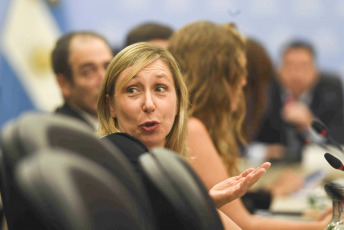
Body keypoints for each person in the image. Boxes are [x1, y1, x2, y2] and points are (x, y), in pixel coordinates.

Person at [168, 21, 331, 229]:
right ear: (217, 77)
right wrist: (327, 226)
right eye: (239, 70)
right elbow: (245, 224)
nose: (244, 82)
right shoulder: (193, 129)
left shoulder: (190, 125)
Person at [97, 42, 270, 229]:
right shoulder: (115, 149)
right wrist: (204, 204)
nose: (148, 104)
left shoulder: (170, 169)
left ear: (179, 101)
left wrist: (204, 204)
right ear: (111, 106)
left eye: (160, 88)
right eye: (132, 90)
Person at [255, 40, 344, 162]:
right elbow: (246, 140)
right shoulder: (265, 88)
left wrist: (310, 125)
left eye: (304, 67)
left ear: (315, 71)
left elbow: (339, 142)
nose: (296, 74)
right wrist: (264, 151)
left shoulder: (331, 89)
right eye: (289, 66)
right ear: (279, 70)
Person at [51, 31, 113, 131]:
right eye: (88, 72)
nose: (105, 79)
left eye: (108, 67)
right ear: (64, 84)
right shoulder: (62, 135)